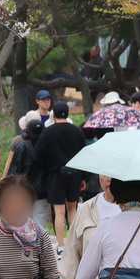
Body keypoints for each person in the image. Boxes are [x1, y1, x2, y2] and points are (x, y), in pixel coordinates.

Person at [32, 101, 87, 254]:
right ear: (68, 114)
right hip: (74, 174)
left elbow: (38, 156)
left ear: (54, 115)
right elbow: (84, 154)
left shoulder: (48, 132)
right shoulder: (77, 132)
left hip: (55, 176)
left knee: (59, 211)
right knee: (72, 209)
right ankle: (74, 243)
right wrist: (83, 177)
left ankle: (61, 246)